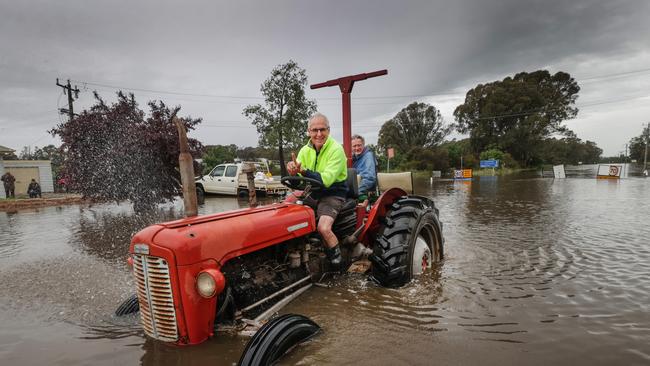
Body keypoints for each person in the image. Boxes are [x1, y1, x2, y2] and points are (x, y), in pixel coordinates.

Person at [287, 113, 348, 265]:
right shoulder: (304, 150)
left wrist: (303, 172)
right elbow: (299, 182)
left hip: (332, 193)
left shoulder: (336, 150)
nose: (319, 134)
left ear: (328, 130)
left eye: (322, 130)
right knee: (285, 205)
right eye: (315, 130)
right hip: (313, 191)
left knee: (323, 228)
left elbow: (326, 180)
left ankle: (337, 261)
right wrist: (293, 172)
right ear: (308, 131)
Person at [351, 134, 377, 201]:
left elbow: (370, 178)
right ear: (351, 147)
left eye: (359, 145)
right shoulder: (353, 158)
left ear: (363, 145)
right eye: (354, 146)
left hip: (365, 192)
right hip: (357, 189)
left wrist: (357, 191)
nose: (357, 148)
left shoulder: (368, 156)